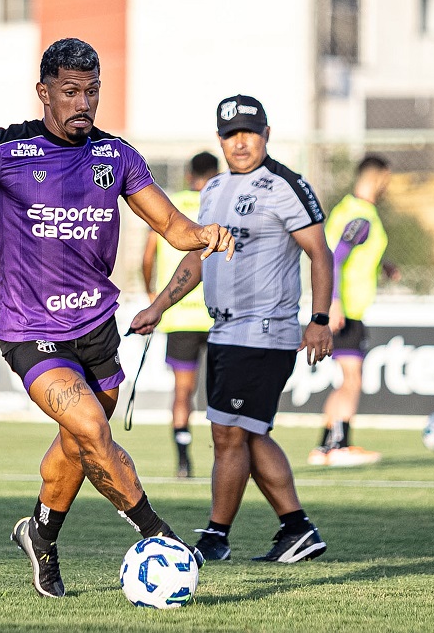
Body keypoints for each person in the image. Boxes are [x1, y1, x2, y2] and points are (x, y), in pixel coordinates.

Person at [0, 38, 235, 598]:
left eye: (92, 91)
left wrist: (204, 234)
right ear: (44, 93)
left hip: (98, 328)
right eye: (71, 91)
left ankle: (41, 534)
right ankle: (163, 538)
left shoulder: (117, 157)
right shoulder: (4, 150)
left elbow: (174, 229)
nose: (84, 103)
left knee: (78, 446)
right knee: (90, 430)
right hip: (32, 331)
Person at [130, 94, 334, 563]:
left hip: (265, 331)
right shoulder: (213, 189)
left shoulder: (286, 185)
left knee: (228, 432)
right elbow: (198, 256)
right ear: (219, 139)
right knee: (246, 432)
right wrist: (159, 305)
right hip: (224, 331)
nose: (239, 142)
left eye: (248, 132)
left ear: (266, 133)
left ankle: (216, 537)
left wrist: (320, 320)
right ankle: (296, 528)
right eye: (229, 134)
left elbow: (319, 253)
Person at [307, 155, 398, 467]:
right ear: (379, 178)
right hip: (345, 310)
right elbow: (334, 258)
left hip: (345, 307)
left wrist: (383, 265)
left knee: (346, 380)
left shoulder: (349, 209)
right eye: (387, 180)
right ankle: (339, 446)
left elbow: (348, 251)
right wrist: (334, 303)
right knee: (352, 380)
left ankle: (324, 448)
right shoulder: (361, 215)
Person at [140, 151, 219, 478]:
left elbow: (147, 259)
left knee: (183, 391)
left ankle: (184, 461)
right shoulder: (217, 207)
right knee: (220, 393)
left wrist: (152, 294)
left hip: (178, 315)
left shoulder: (168, 208)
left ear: (189, 174)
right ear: (215, 176)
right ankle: (225, 459)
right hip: (216, 315)